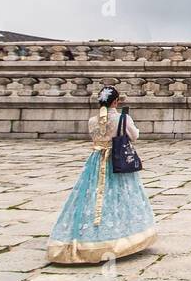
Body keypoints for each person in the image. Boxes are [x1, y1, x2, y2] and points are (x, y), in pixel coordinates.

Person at [47, 85, 156, 264]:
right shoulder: (123, 118)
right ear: (116, 101)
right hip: (117, 160)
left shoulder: (92, 120)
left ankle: (84, 237)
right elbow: (134, 136)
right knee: (122, 195)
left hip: (97, 161)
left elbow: (95, 136)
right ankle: (121, 238)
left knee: (92, 194)